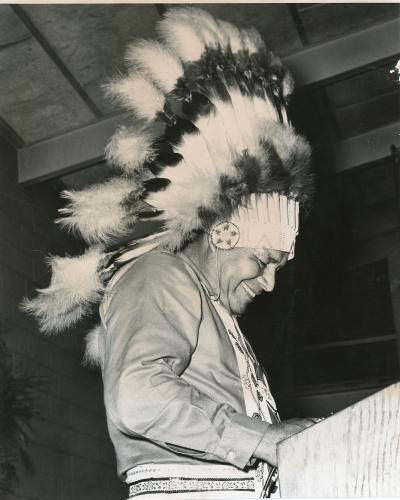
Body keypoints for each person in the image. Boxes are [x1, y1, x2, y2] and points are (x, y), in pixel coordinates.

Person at [24, 7, 315, 498]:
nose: (269, 282)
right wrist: (263, 438)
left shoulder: (213, 309)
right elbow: (138, 398)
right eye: (264, 261)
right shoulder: (160, 273)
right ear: (222, 234)